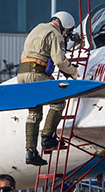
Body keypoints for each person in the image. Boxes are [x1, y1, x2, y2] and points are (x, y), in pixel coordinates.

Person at [17, 11, 79, 166]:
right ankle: (47, 138)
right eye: (67, 31)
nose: (66, 34)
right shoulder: (55, 34)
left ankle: (30, 152)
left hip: (22, 75)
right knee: (58, 101)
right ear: (64, 27)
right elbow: (59, 59)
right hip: (36, 74)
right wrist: (74, 72)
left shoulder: (38, 28)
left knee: (34, 112)